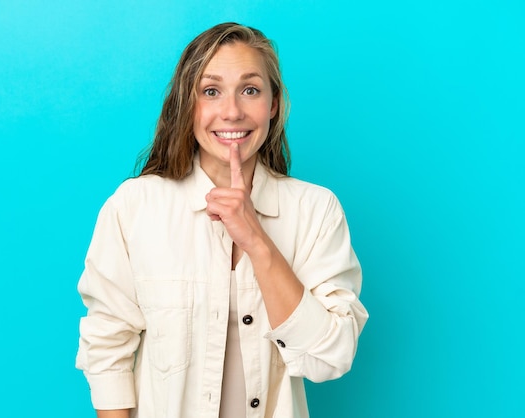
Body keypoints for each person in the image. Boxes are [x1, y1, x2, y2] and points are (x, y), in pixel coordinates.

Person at [75, 22, 368, 418]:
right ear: (188, 104)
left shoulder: (315, 210)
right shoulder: (135, 206)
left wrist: (257, 241)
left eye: (250, 90)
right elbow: (107, 348)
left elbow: (331, 356)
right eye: (211, 91)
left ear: (273, 104)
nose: (232, 111)